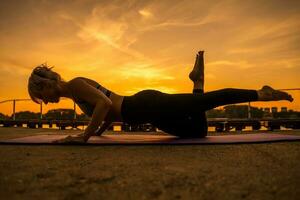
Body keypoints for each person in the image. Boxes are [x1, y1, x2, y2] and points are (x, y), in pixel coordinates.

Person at [27, 51, 294, 143]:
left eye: (40, 96)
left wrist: (84, 136)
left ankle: (261, 93)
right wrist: (98, 131)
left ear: (46, 86)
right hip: (148, 114)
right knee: (198, 130)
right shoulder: (75, 92)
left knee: (208, 102)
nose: (45, 102)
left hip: (144, 104)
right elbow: (105, 108)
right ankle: (197, 81)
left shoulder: (74, 84)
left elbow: (105, 103)